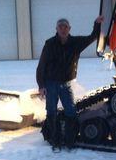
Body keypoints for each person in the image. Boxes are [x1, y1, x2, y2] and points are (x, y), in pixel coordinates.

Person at [36, 15, 104, 150]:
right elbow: (41, 66)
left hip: (66, 84)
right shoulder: (49, 44)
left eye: (65, 27)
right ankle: (55, 142)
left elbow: (92, 37)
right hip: (51, 84)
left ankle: (69, 141)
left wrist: (97, 24)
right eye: (60, 27)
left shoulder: (75, 43)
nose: (63, 29)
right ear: (56, 28)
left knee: (71, 112)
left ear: (69, 28)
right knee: (51, 112)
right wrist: (41, 85)